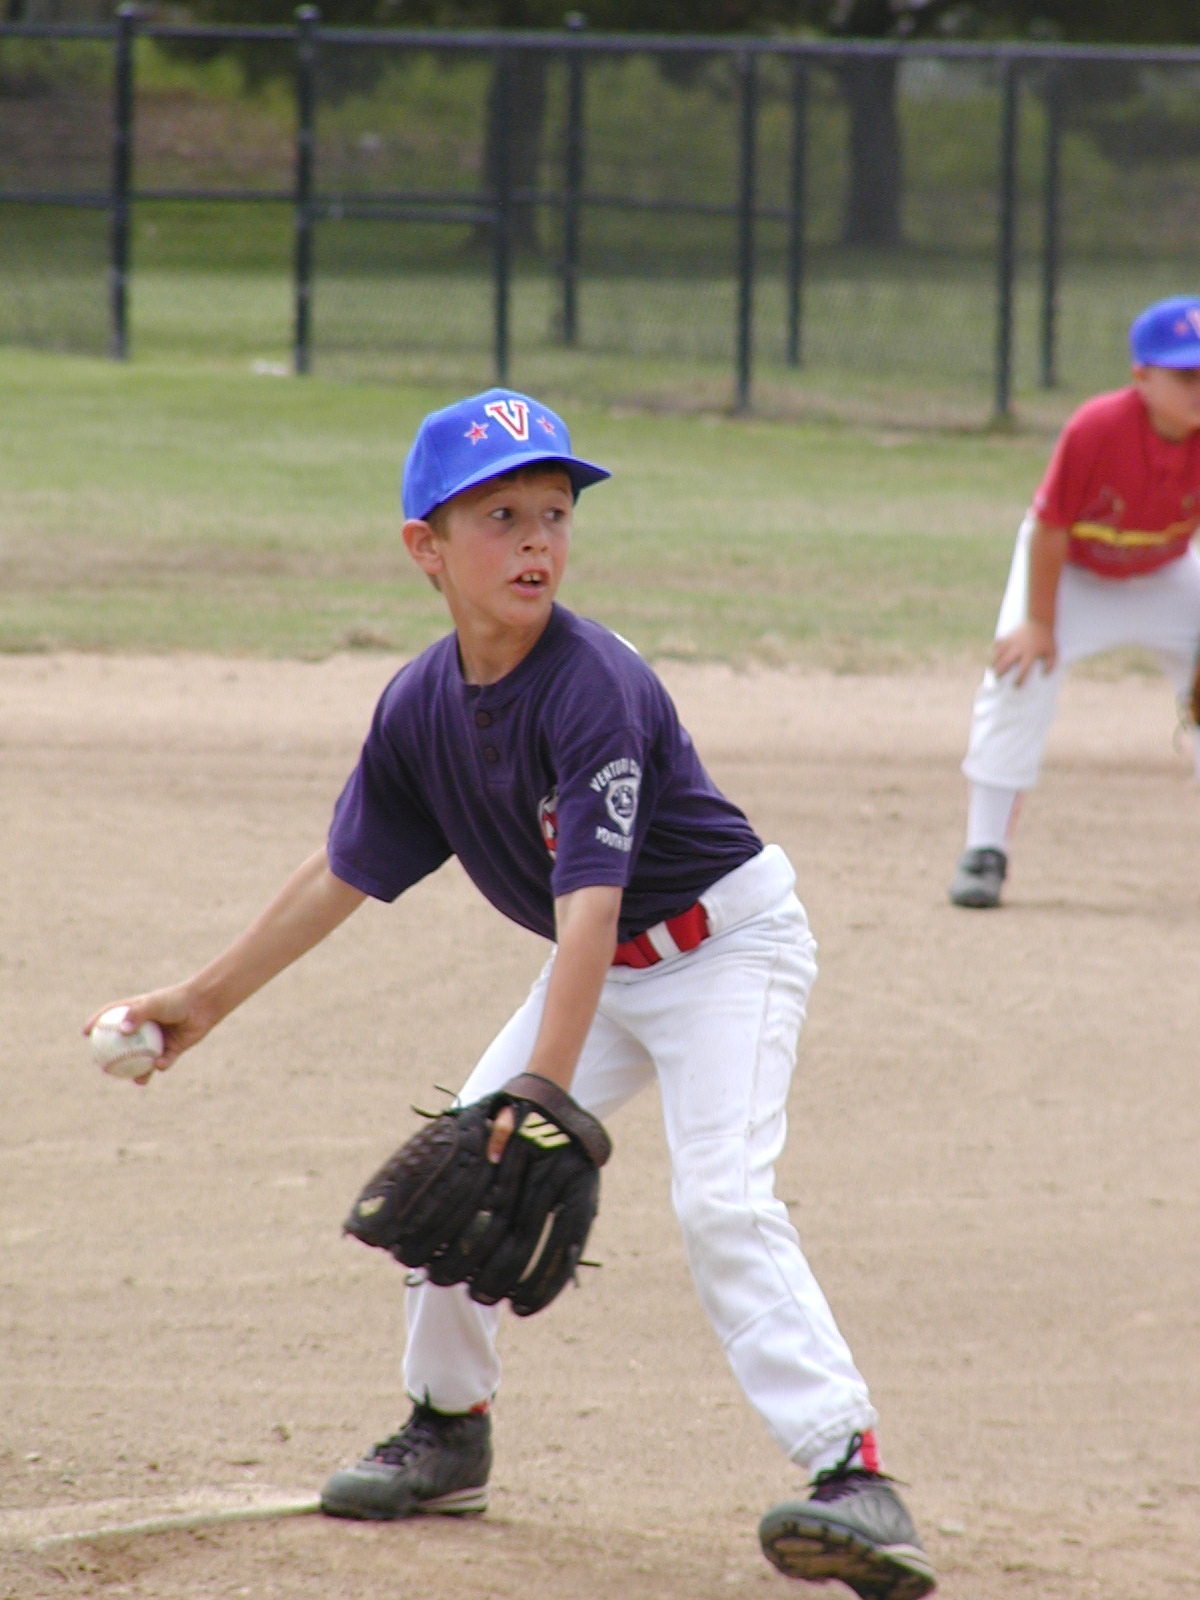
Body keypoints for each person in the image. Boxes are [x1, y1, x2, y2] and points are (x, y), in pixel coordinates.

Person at [87, 389, 936, 1599]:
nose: (537, 538)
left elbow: (591, 908)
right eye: (501, 517)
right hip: (609, 964)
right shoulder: (421, 705)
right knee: (457, 1176)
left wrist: (540, 1088)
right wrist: (204, 999)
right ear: (424, 547)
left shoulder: (592, 685)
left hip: (726, 953)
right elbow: (342, 870)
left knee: (720, 1201)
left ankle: (854, 1473)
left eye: (555, 513)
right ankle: (449, 1429)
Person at [950, 295, 1200, 909]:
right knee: (1019, 671)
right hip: (1072, 573)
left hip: (1167, 574)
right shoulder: (1097, 426)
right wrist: (1039, 622)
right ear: (1141, 376)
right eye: (1186, 375)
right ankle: (985, 851)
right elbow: (1050, 526)